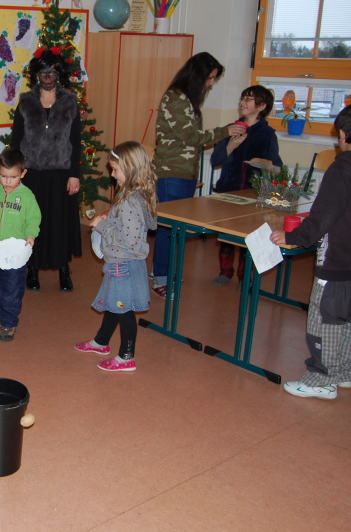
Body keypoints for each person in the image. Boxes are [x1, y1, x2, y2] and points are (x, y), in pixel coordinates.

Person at [271, 104, 351, 400]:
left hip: (337, 260)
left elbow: (324, 216)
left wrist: (295, 237)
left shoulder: (342, 169)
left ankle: (321, 379)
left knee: (325, 319)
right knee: (347, 319)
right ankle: (344, 371)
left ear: (342, 135)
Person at [150, 52, 246, 298]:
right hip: (171, 172)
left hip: (185, 172)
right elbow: (191, 137)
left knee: (174, 228)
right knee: (169, 229)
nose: (211, 84)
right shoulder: (176, 98)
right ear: (197, 75)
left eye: (214, 79)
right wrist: (225, 131)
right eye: (210, 78)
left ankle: (162, 270)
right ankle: (161, 278)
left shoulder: (187, 100)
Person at [76, 141, 158, 372]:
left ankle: (126, 357)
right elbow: (131, 225)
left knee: (124, 311)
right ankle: (101, 341)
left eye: (115, 170)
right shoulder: (135, 194)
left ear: (130, 169)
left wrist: (102, 226)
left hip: (124, 264)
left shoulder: (130, 200)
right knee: (115, 304)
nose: (112, 175)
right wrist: (109, 219)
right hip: (121, 263)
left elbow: (128, 241)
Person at [11, 47, 82, 292]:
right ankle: (32, 268)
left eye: (52, 72)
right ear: (36, 75)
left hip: (61, 174)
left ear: (59, 74)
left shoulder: (69, 102)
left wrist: (74, 175)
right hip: (32, 174)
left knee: (59, 223)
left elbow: (75, 141)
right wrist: (16, 175)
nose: (48, 77)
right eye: (43, 72)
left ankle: (63, 269)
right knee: (33, 222)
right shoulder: (26, 102)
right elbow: (16, 140)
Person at [211, 85, 283, 287]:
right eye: (242, 98)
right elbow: (215, 160)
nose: (243, 102)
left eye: (248, 99)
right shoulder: (231, 128)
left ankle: (245, 275)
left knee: (248, 236)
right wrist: (230, 146)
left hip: (253, 194)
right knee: (226, 235)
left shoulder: (267, 134)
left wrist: (264, 163)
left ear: (261, 106)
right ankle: (225, 271)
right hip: (228, 190)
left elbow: (277, 166)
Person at [0, 147, 41, 342]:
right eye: (3, 176)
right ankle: (2, 315)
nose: (8, 182)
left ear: (23, 173)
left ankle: (9, 322)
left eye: (13, 177)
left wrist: (31, 234)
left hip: (15, 253)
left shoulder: (27, 196)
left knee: (12, 288)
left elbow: (33, 219)